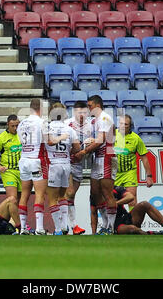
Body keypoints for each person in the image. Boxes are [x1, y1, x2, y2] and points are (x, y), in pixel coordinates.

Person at [75, 95, 118, 234]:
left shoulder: (105, 118)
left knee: (107, 192)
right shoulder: (96, 121)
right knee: (95, 193)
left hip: (107, 156)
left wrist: (84, 151)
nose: (89, 109)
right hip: (98, 157)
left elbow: (101, 141)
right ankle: (105, 224)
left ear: (98, 106)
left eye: (90, 106)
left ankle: (110, 227)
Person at [45, 103, 81, 235]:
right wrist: (67, 152)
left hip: (53, 164)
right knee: (63, 196)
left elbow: (46, 143)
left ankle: (58, 229)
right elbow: (77, 148)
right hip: (66, 165)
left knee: (52, 198)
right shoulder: (69, 129)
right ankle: (65, 225)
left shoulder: (47, 127)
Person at [90, 186, 163, 235]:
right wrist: (93, 233)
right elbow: (93, 214)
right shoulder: (94, 196)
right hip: (115, 225)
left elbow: (130, 197)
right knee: (133, 229)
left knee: (144, 204)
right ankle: (151, 234)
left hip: (127, 217)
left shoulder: (116, 189)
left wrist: (116, 203)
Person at [17, 98, 49, 235]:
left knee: (24, 194)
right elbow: (49, 141)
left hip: (24, 159)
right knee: (39, 194)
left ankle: (23, 228)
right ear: (40, 108)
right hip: (37, 159)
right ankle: (39, 228)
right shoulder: (42, 122)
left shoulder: (21, 123)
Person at [64, 101, 93, 235]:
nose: (81, 115)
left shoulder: (91, 125)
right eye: (78, 112)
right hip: (67, 162)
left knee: (71, 196)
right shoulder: (67, 124)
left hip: (79, 164)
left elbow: (98, 141)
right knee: (69, 193)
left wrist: (91, 142)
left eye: (83, 112)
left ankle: (69, 226)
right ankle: (69, 225)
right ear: (74, 112)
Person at [114, 114, 154, 210]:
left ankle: (134, 223)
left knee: (132, 200)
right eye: (121, 123)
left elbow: (144, 158)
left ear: (130, 126)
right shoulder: (112, 135)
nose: (123, 126)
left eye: (126, 124)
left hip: (129, 173)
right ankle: (115, 223)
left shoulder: (136, 139)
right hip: (114, 173)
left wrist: (149, 177)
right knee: (113, 200)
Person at [0, 115, 22, 202]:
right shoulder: (1, 138)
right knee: (12, 200)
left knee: (21, 200)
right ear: (7, 124)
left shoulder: (23, 135)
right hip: (9, 171)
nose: (15, 128)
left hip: (23, 171)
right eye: (12, 126)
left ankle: (13, 216)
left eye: (17, 125)